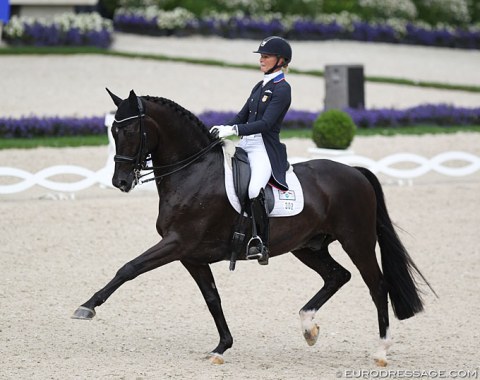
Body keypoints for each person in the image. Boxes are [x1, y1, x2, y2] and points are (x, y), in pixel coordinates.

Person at [210, 36, 292, 265]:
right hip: (246, 143)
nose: (262, 60)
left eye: (266, 56)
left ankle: (260, 241)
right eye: (261, 57)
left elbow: (266, 124)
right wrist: (224, 128)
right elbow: (242, 115)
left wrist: (234, 129)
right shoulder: (260, 86)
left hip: (264, 148)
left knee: (255, 189)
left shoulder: (282, 89)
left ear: (281, 60)